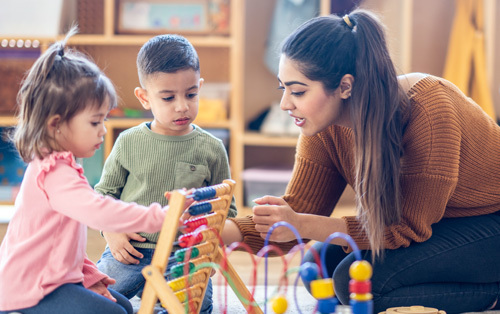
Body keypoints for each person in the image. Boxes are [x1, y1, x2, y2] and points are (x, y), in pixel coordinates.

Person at [222, 9, 500, 314]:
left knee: (357, 288)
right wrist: (223, 233)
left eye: (298, 91)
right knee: (317, 266)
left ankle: (491, 294)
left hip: (489, 221)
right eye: (283, 88)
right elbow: (298, 214)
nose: (285, 104)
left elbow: (404, 228)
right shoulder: (321, 126)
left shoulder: (430, 114)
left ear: (345, 86)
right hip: (439, 223)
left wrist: (300, 223)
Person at [0, 28, 173, 314]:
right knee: (115, 313)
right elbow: (100, 212)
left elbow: (63, 246)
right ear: (56, 124)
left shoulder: (61, 165)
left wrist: (91, 278)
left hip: (52, 279)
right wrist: (160, 217)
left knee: (123, 307)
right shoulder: (54, 173)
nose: (103, 131)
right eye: (95, 122)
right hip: (32, 288)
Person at [95, 34, 237, 313]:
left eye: (191, 94)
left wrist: (202, 238)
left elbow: (227, 212)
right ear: (144, 97)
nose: (182, 105)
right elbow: (103, 195)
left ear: (200, 88)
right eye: (168, 97)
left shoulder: (213, 148)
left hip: (185, 255)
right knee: (96, 300)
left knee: (192, 308)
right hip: (131, 250)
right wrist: (111, 230)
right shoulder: (128, 141)